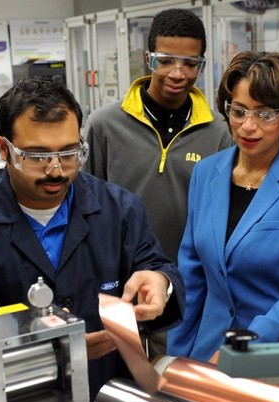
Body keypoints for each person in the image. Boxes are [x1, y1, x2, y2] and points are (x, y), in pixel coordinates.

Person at [0, 77, 184, 401]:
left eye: (69, 152)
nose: (56, 170)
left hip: (110, 395)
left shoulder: (120, 209)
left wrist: (161, 281)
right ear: (4, 149)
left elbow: (157, 267)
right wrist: (52, 353)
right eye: (36, 156)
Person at [166, 51, 279, 363]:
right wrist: (176, 357)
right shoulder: (207, 174)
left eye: (264, 114)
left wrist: (245, 346)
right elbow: (192, 276)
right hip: (211, 346)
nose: (247, 126)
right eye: (239, 111)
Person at [84, 8, 233, 264]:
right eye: (165, 61)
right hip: (122, 270)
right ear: (148, 58)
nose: (177, 74)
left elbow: (220, 214)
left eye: (190, 63)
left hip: (192, 275)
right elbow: (86, 204)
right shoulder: (105, 124)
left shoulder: (219, 130)